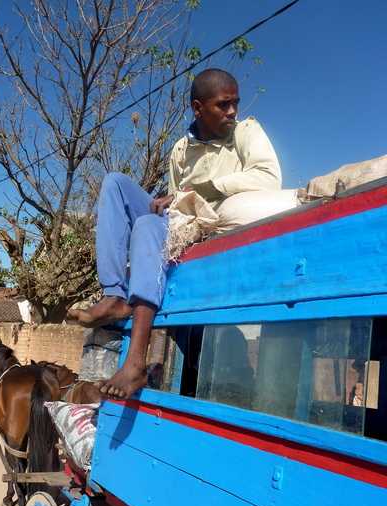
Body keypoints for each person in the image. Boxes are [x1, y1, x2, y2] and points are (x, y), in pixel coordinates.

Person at [69, 68, 283, 399]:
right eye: (223, 105)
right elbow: (172, 204)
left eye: (234, 104)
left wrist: (199, 189)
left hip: (211, 222)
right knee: (114, 183)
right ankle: (113, 294)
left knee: (148, 225)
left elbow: (268, 177)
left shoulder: (245, 133)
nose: (232, 112)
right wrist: (171, 202)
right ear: (198, 108)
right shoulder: (181, 150)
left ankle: (135, 363)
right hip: (180, 221)